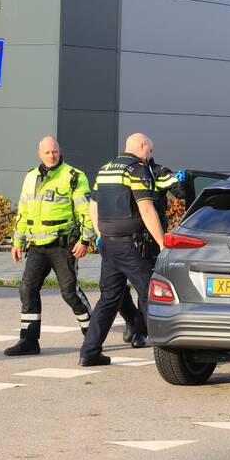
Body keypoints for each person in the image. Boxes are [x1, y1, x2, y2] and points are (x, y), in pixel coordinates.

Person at [79, 133, 166, 366]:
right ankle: (170, 352)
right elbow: (146, 208)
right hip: (132, 245)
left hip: (109, 243)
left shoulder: (105, 169)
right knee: (153, 294)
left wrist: (100, 235)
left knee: (108, 298)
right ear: (142, 146)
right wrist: (163, 243)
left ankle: (89, 352)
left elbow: (93, 206)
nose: (150, 156)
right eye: (150, 150)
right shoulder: (136, 170)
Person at [4, 136, 95, 356]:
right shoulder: (30, 177)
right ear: (40, 153)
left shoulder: (74, 176)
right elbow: (23, 212)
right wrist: (17, 241)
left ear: (59, 150)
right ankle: (29, 340)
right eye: (47, 152)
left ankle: (92, 337)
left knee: (69, 293)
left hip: (63, 245)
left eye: (54, 151)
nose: (51, 155)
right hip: (36, 245)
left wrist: (85, 240)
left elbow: (87, 212)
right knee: (27, 288)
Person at [116, 158, 180, 348]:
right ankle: (130, 319)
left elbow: (179, 192)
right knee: (115, 290)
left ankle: (139, 330)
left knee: (144, 288)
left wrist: (179, 181)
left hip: (148, 239)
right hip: (121, 237)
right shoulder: (120, 170)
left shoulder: (157, 171)